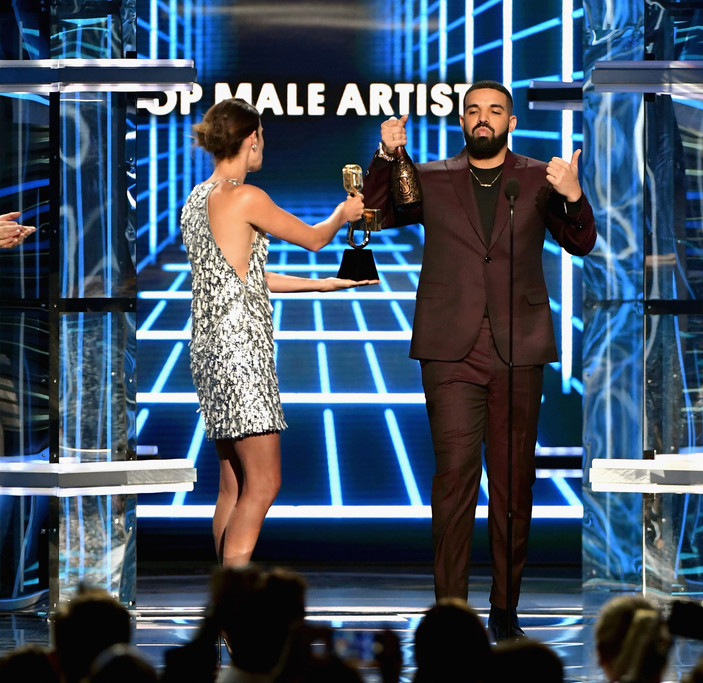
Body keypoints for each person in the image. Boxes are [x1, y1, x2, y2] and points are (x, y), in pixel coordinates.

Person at [363, 80, 597, 639]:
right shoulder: (433, 178)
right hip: (450, 352)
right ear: (461, 122)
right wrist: (384, 156)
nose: (483, 119)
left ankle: (505, 608)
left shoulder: (540, 178)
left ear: (511, 122)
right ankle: (450, 613)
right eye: (473, 111)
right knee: (454, 482)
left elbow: (582, 241)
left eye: (494, 111)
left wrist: (573, 193)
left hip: (518, 349)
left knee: (515, 486)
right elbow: (372, 213)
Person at [183, 98, 376, 566]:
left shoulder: (197, 197)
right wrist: (342, 216)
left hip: (209, 351)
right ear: (252, 139)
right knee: (265, 482)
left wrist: (324, 284)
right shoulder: (245, 196)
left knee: (233, 484)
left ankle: (226, 621)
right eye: (261, 137)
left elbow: (246, 276)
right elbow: (313, 238)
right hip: (242, 352)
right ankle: (233, 604)